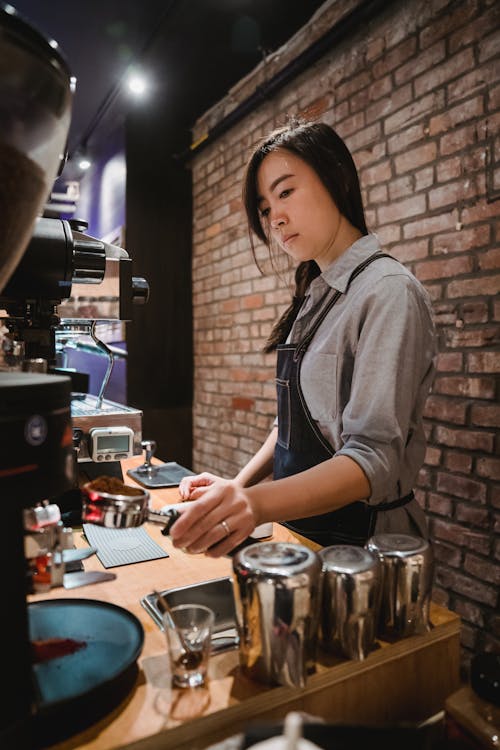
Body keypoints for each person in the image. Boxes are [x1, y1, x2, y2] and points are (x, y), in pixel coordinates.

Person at [170, 118, 437, 557]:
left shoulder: (388, 291)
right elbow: (295, 426)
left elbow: (372, 460)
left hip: (365, 549)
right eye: (264, 206)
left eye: (286, 191)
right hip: (303, 534)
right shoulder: (315, 295)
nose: (274, 217)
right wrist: (236, 489)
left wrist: (252, 504)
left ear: (336, 178)